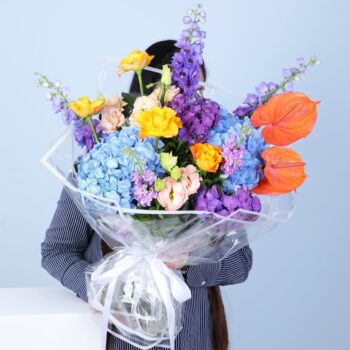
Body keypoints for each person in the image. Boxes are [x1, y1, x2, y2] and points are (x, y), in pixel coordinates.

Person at [41, 40, 253, 350]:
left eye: (199, 91)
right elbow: (56, 251)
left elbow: (241, 263)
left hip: (195, 338)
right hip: (117, 339)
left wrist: (186, 265)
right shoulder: (96, 170)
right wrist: (107, 288)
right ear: (144, 97)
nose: (190, 102)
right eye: (177, 90)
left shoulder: (217, 175)